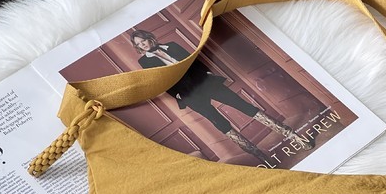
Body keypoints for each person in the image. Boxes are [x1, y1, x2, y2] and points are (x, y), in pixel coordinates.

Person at [130, 29, 313, 163]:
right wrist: (177, 94)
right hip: (189, 94)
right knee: (220, 123)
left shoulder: (172, 45)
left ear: (149, 38)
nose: (142, 45)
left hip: (205, 82)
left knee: (244, 106)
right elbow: (161, 80)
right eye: (139, 45)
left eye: (143, 41)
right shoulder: (144, 61)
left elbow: (193, 60)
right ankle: (260, 156)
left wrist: (208, 73)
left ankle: (293, 136)